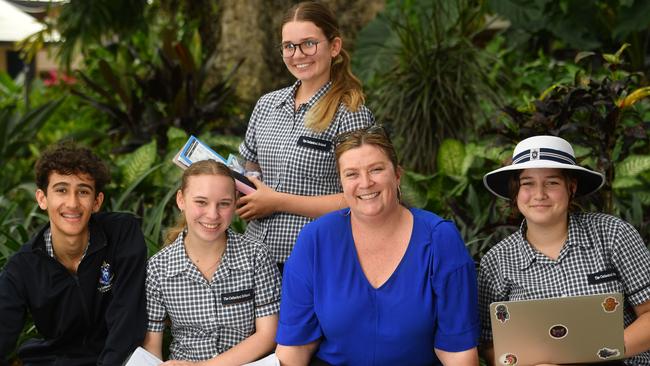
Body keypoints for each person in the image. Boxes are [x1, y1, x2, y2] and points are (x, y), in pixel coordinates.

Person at [275, 126, 480, 365]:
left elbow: (458, 351)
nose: (365, 183)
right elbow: (296, 347)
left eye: (376, 169)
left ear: (397, 175)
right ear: (341, 182)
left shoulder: (439, 239)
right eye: (351, 174)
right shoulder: (315, 239)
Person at [479, 135, 650, 365]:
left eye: (552, 182)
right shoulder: (497, 262)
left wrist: (596, 353)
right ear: (515, 191)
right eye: (527, 183)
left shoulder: (613, 234)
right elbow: (490, 345)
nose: (539, 194)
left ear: (572, 187)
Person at [236, 1, 375, 268]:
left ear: (334, 47)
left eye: (308, 43)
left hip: (315, 259)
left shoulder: (350, 114)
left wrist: (276, 202)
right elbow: (249, 168)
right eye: (289, 46)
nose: (298, 54)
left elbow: (361, 195)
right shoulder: (267, 105)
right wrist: (241, 186)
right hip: (255, 257)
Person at [0, 142, 147, 366]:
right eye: (61, 190)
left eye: (83, 191)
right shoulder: (23, 267)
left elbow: (127, 320)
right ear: (42, 199)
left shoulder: (121, 235)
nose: (72, 203)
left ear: (97, 201)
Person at [143, 159, 281, 365]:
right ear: (181, 200)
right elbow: (152, 349)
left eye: (223, 204)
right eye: (201, 202)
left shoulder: (257, 256)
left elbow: (268, 335)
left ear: (235, 202)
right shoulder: (158, 268)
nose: (213, 214)